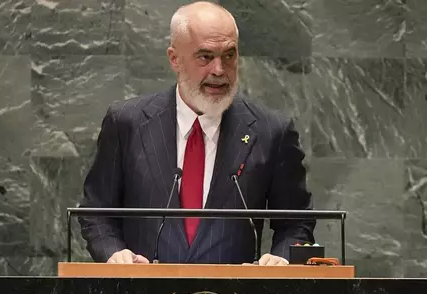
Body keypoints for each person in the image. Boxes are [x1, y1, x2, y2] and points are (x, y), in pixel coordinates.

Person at [79, 1, 315, 265]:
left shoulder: (271, 131)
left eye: (229, 55)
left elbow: (298, 223)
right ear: (174, 59)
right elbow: (96, 212)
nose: (219, 70)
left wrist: (280, 259)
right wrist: (114, 254)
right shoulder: (127, 122)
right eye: (205, 57)